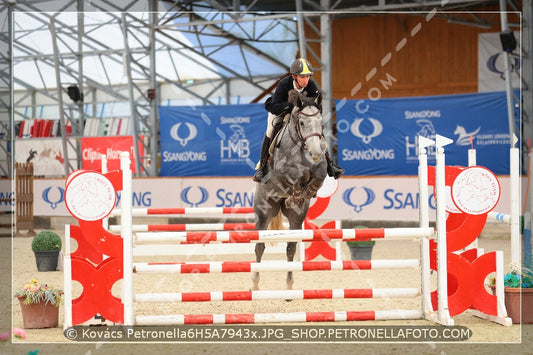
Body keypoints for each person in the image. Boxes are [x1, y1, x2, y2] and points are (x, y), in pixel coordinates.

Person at [253, 58, 344, 183]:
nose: (306, 80)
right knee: (270, 130)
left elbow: (316, 105)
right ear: (294, 76)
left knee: (315, 128)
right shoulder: (284, 84)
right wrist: (292, 107)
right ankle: (262, 167)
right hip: (280, 110)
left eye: (307, 76)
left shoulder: (311, 85)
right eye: (302, 77)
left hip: (302, 114)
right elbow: (275, 106)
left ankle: (330, 164)